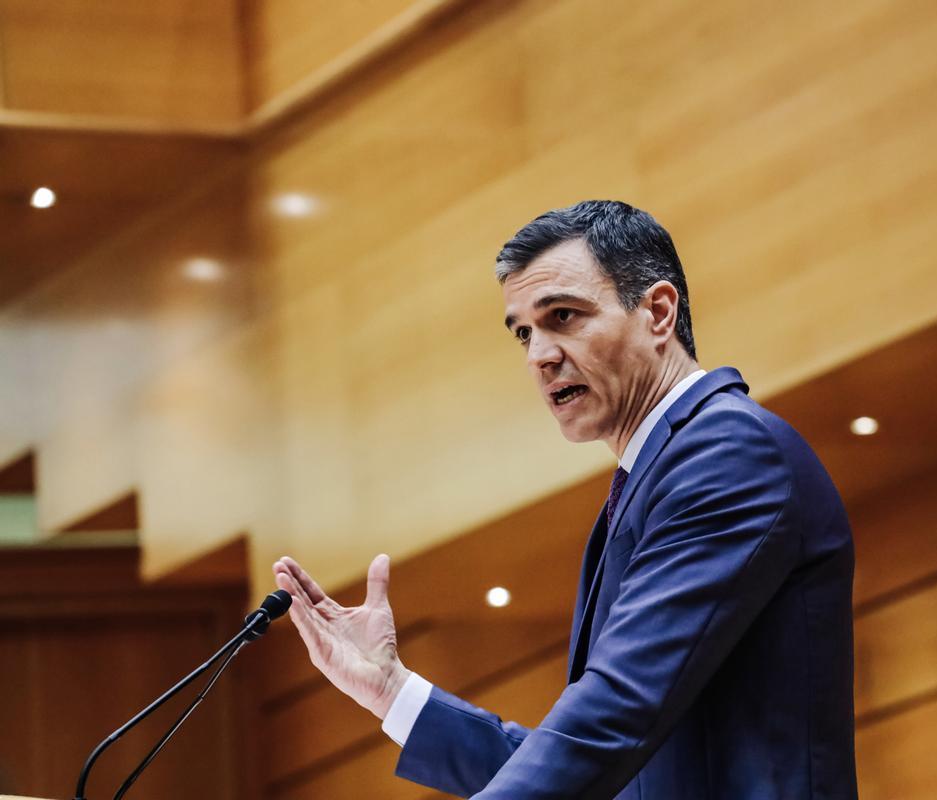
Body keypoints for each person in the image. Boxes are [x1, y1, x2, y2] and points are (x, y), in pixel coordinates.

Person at [273, 200, 859, 799]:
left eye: (563, 317)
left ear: (658, 312)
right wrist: (391, 691)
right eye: (525, 332)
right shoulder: (653, 479)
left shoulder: (728, 450)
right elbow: (597, 763)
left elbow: (614, 713)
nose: (539, 356)